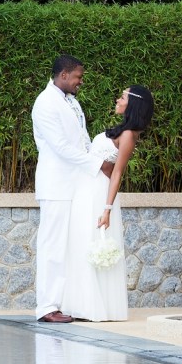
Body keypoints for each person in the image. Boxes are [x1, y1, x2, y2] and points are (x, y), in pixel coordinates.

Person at [61, 85, 155, 322]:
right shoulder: (119, 130)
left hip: (98, 193)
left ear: (131, 104)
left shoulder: (128, 136)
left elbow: (117, 174)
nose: (118, 99)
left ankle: (95, 306)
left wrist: (107, 210)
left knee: (91, 242)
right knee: (79, 243)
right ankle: (78, 304)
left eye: (122, 96)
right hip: (84, 188)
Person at [32, 55, 114, 324]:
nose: (81, 81)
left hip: (76, 184)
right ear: (64, 75)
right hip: (56, 184)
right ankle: (46, 307)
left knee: (67, 248)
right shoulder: (45, 104)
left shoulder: (70, 101)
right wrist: (98, 163)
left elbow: (80, 140)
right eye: (78, 77)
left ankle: (62, 302)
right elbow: (61, 147)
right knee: (52, 247)